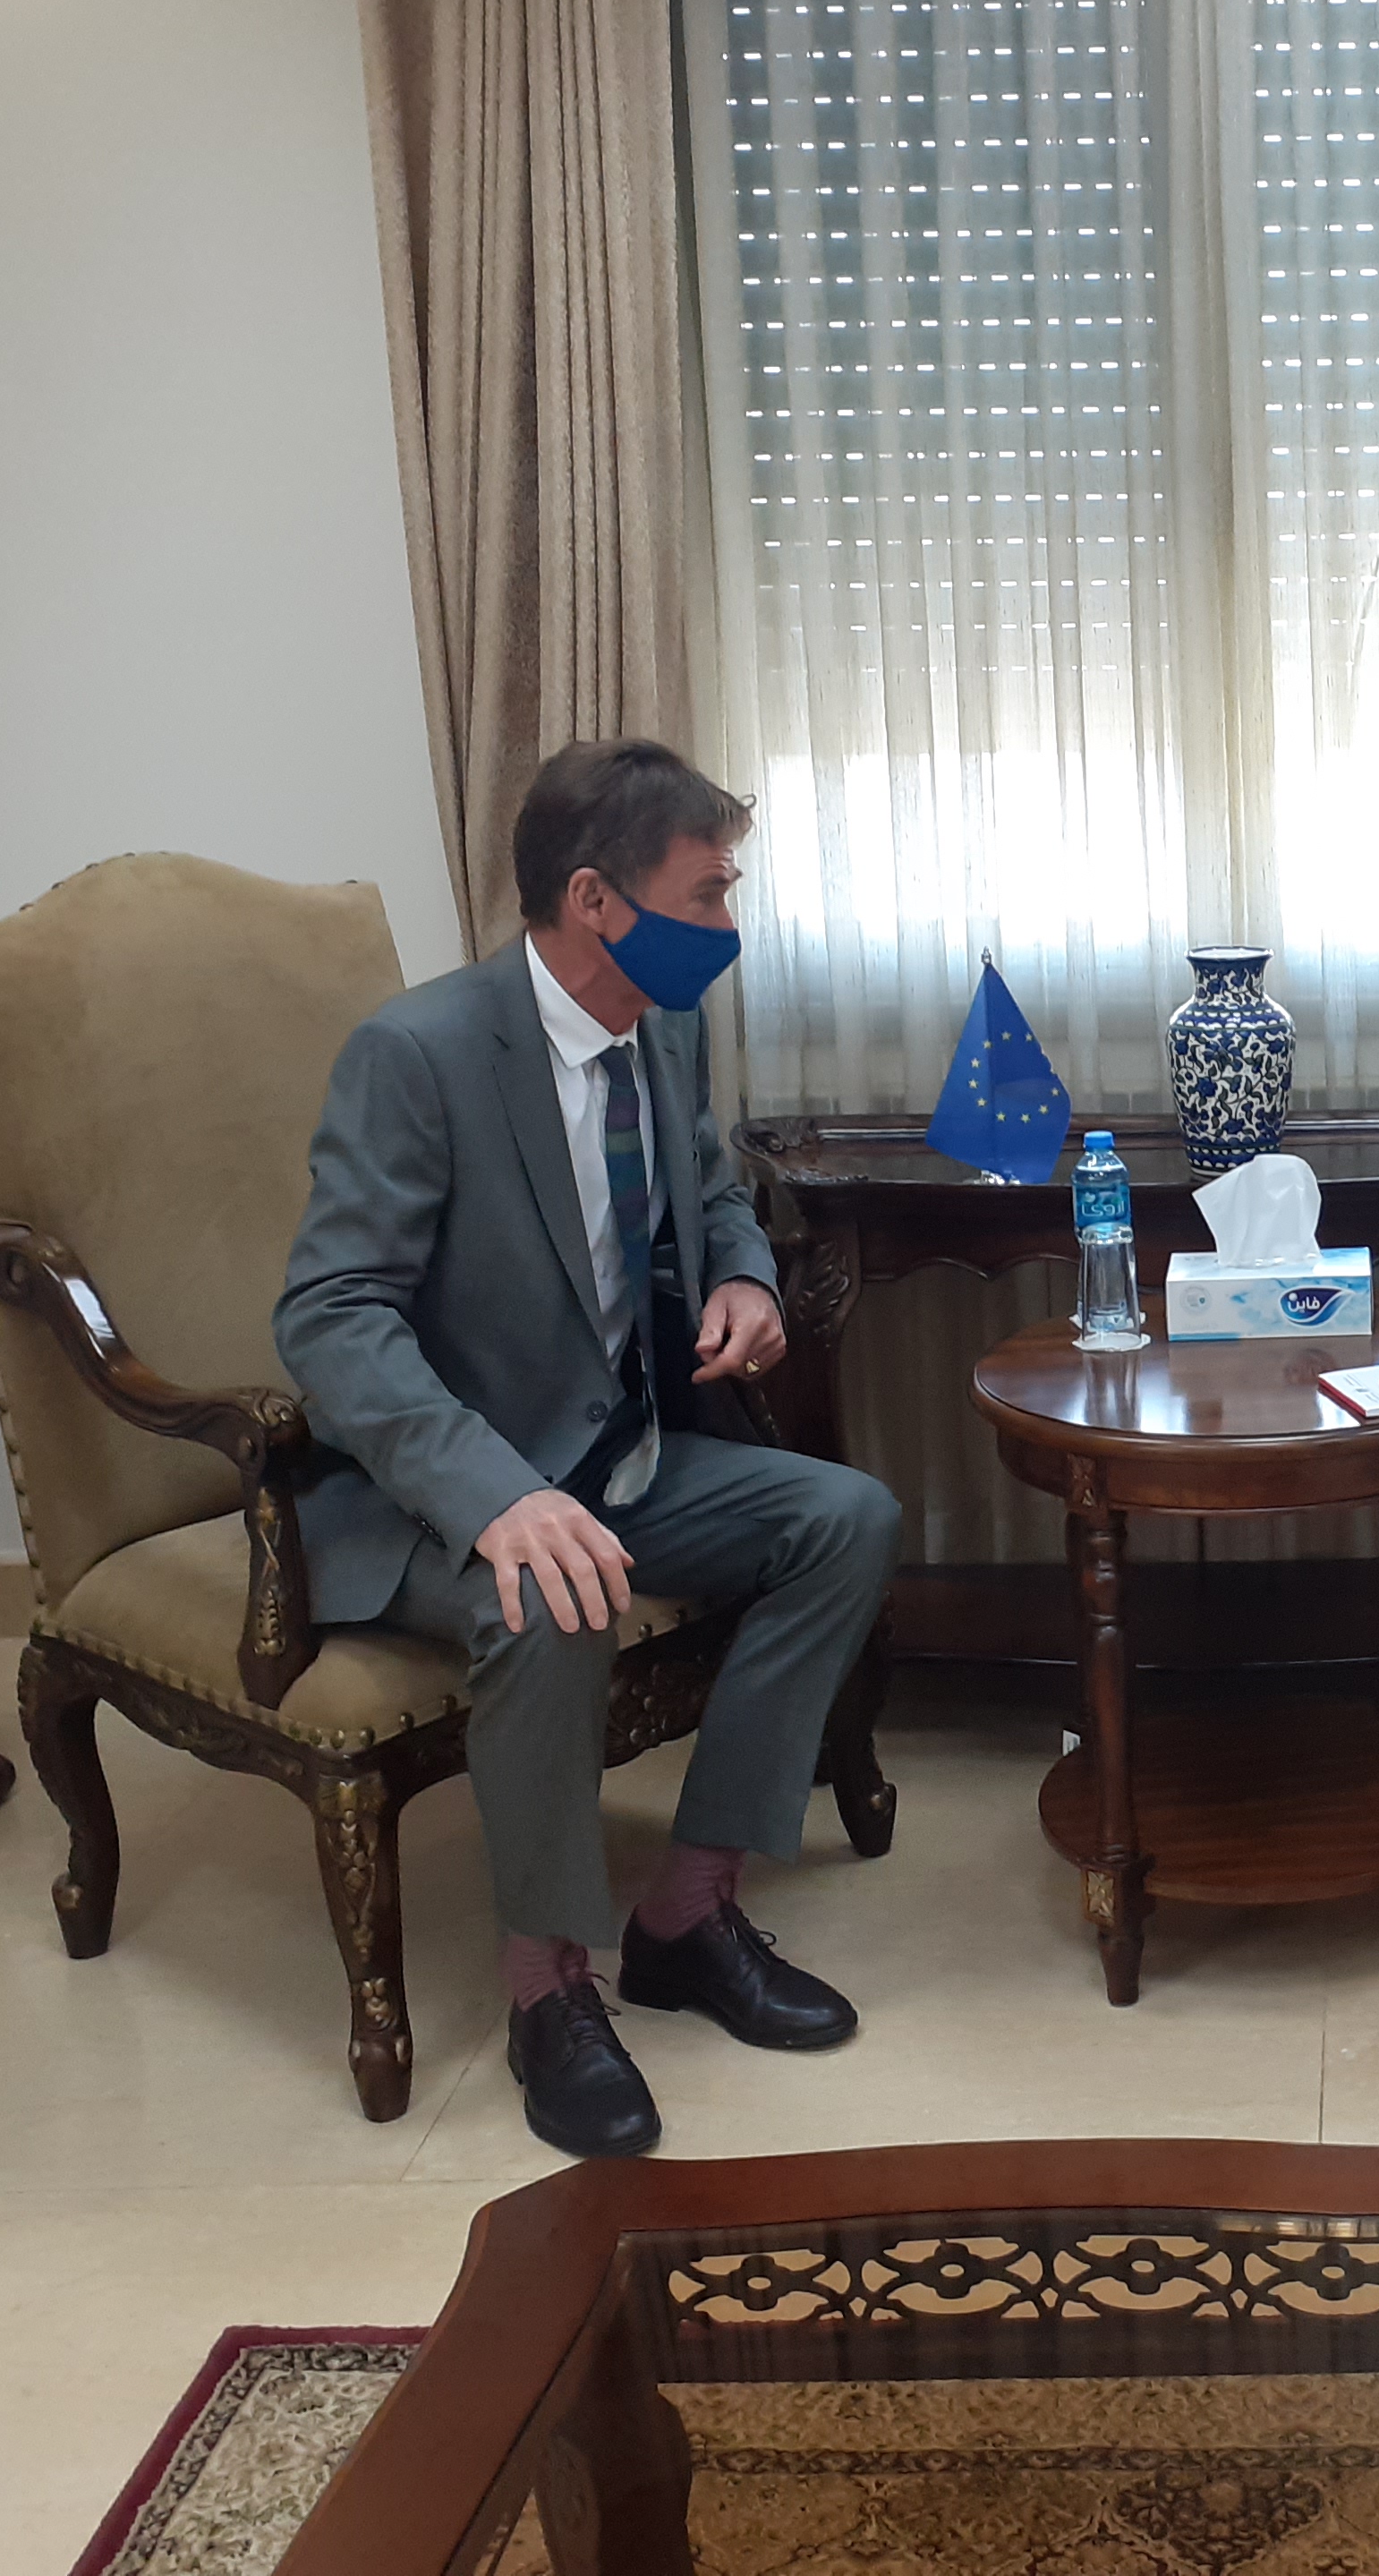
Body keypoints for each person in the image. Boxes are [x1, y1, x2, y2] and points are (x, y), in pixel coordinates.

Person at [276, 739, 900, 2160]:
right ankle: (547, 1986)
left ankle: (687, 1913)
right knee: (550, 1594)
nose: (727, 927)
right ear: (594, 900)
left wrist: (742, 1276)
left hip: (622, 1456)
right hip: (443, 1494)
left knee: (847, 1519)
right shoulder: (419, 1056)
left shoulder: (658, 1028)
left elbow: (708, 1184)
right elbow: (329, 1316)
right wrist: (494, 1496)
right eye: (706, 894)